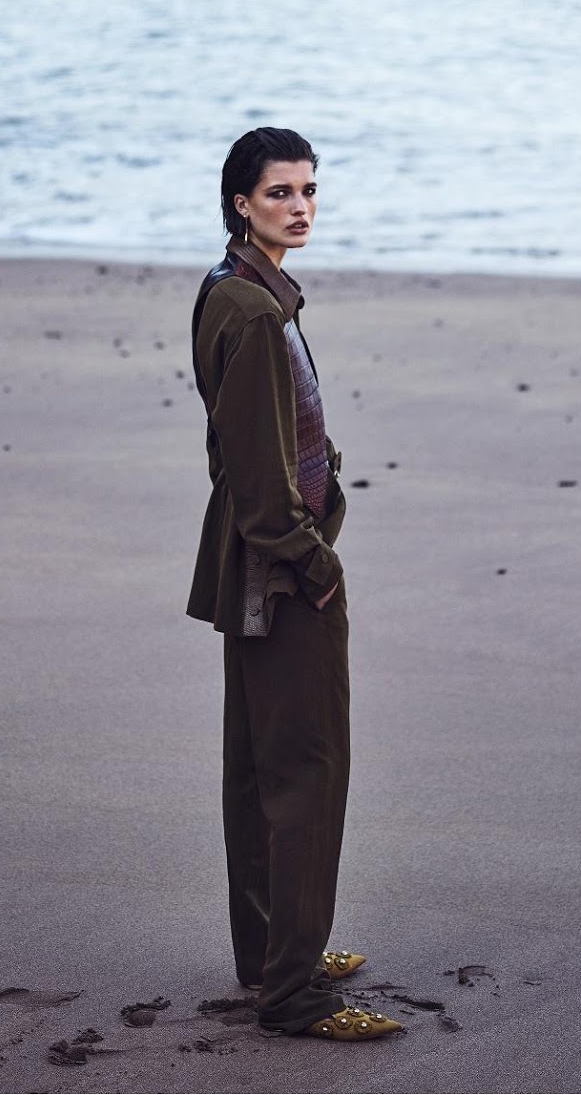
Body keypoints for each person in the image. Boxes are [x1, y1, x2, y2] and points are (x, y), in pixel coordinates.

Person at [187, 127, 403, 1043]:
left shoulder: (240, 288)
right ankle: (295, 995)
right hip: (280, 576)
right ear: (241, 202)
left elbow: (249, 450)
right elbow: (255, 474)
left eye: (309, 190)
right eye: (280, 192)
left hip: (260, 566)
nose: (300, 207)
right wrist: (316, 565)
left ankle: (273, 955)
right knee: (305, 777)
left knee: (258, 770)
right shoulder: (251, 311)